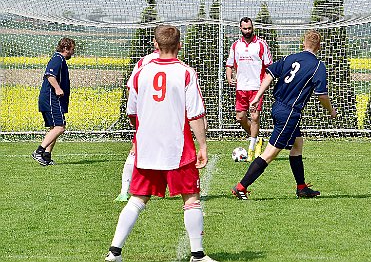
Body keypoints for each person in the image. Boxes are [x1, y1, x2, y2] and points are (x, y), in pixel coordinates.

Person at [105, 25, 217, 262]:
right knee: (191, 197)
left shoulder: (139, 73)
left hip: (147, 146)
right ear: (179, 46)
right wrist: (203, 146)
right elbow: (195, 114)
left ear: (155, 46)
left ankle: (114, 252)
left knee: (137, 198)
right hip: (178, 147)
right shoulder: (186, 72)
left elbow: (132, 112)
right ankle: (197, 255)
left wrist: (143, 132)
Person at [231, 29, 337, 200]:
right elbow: (322, 95)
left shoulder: (291, 58)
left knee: (297, 144)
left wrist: (257, 96)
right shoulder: (318, 66)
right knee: (270, 153)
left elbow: (270, 74)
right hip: (289, 113)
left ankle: (301, 188)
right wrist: (331, 110)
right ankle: (241, 187)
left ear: (303, 43)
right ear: (319, 46)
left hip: (278, 107)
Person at [114, 42, 160, 202]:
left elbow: (130, 87)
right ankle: (188, 191)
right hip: (165, 112)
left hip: (145, 111)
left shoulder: (143, 62)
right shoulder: (176, 63)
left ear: (155, 43)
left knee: (137, 149)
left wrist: (133, 110)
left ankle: (124, 190)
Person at [226, 17, 273, 162]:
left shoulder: (261, 44)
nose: (247, 31)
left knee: (254, 117)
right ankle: (257, 139)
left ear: (253, 28)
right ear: (240, 28)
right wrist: (229, 77)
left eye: (249, 28)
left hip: (256, 87)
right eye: (245, 28)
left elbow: (269, 65)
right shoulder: (235, 46)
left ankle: (251, 149)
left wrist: (265, 83)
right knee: (240, 117)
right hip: (241, 88)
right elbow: (229, 64)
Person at [32, 37, 75, 166]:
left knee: (54, 128)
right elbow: (50, 75)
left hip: (52, 99)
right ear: (66, 48)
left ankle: (46, 156)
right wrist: (57, 89)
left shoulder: (60, 60)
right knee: (60, 127)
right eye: (72, 49)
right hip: (51, 98)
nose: (73, 52)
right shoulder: (57, 59)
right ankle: (39, 152)